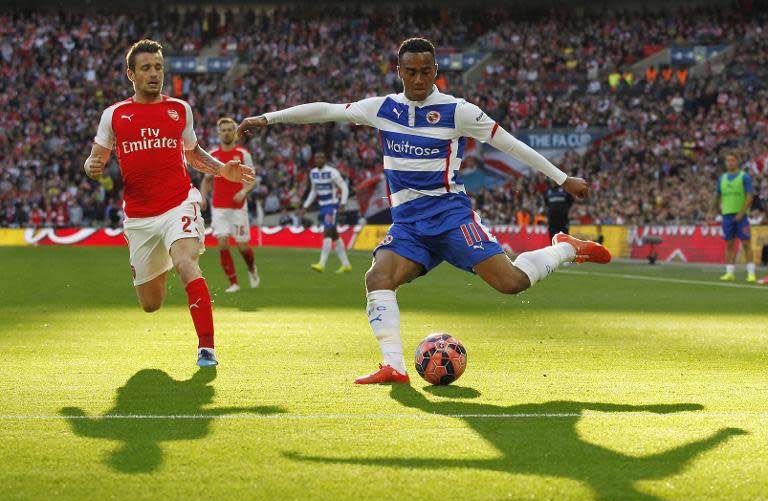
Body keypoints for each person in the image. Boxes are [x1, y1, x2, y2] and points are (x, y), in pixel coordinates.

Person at [238, 37, 610, 384]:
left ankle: (565, 247)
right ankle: (394, 366)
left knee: (511, 283)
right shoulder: (382, 108)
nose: (418, 79)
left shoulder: (458, 111)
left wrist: (562, 179)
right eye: (411, 72)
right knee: (377, 279)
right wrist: (268, 118)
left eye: (426, 71)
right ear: (399, 72)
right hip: (409, 224)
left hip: (451, 217)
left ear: (436, 72)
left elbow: (511, 145)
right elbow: (326, 111)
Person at [83, 39, 255, 367]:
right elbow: (96, 158)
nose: (154, 74)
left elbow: (193, 154)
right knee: (151, 303)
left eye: (159, 67)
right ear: (130, 74)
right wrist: (91, 166)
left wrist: (223, 171)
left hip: (180, 202)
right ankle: (162, 257)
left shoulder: (180, 109)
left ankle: (207, 348)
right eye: (146, 68)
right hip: (140, 216)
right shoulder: (115, 115)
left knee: (187, 262)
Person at [200, 117, 260, 293]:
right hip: (219, 208)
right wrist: (203, 197)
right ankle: (234, 283)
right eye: (223, 130)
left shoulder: (243, 154)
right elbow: (206, 180)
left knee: (242, 246)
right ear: (219, 133)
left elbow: (252, 179)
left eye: (229, 130)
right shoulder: (213, 155)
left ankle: (251, 268)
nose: (226, 132)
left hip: (238, 208)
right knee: (223, 242)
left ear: (235, 132)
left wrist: (243, 191)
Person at [299, 150, 352, 273]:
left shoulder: (332, 172)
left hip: (332, 206)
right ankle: (346, 264)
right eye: (316, 158)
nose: (318, 160)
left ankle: (321, 264)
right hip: (322, 207)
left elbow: (344, 187)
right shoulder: (313, 173)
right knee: (335, 235)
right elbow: (313, 191)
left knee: (327, 232)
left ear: (325, 160)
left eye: (321, 157)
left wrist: (343, 203)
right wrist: (305, 206)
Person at [712, 153, 755, 282]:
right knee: (729, 244)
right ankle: (729, 273)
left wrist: (742, 213)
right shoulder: (722, 178)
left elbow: (749, 196)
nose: (730, 163)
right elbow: (717, 196)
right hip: (727, 215)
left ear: (737, 162)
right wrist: (711, 211)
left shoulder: (744, 177)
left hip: (741, 215)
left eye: (733, 160)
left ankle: (751, 274)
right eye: (728, 160)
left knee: (746, 243)